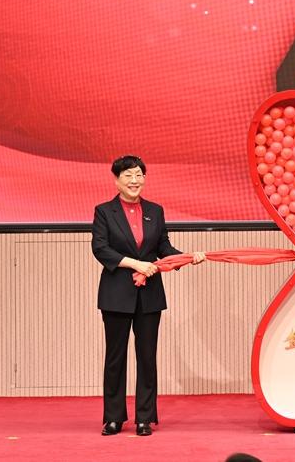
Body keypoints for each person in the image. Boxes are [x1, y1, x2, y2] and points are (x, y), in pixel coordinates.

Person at [91, 155, 206, 436]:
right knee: (115, 358)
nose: (135, 180)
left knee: (147, 357)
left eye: (139, 175)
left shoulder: (155, 210)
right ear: (117, 180)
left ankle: (145, 418)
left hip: (149, 295)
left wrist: (187, 257)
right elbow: (101, 249)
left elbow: (164, 247)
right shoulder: (104, 211)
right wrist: (137, 264)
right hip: (117, 294)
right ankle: (113, 418)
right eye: (128, 175)